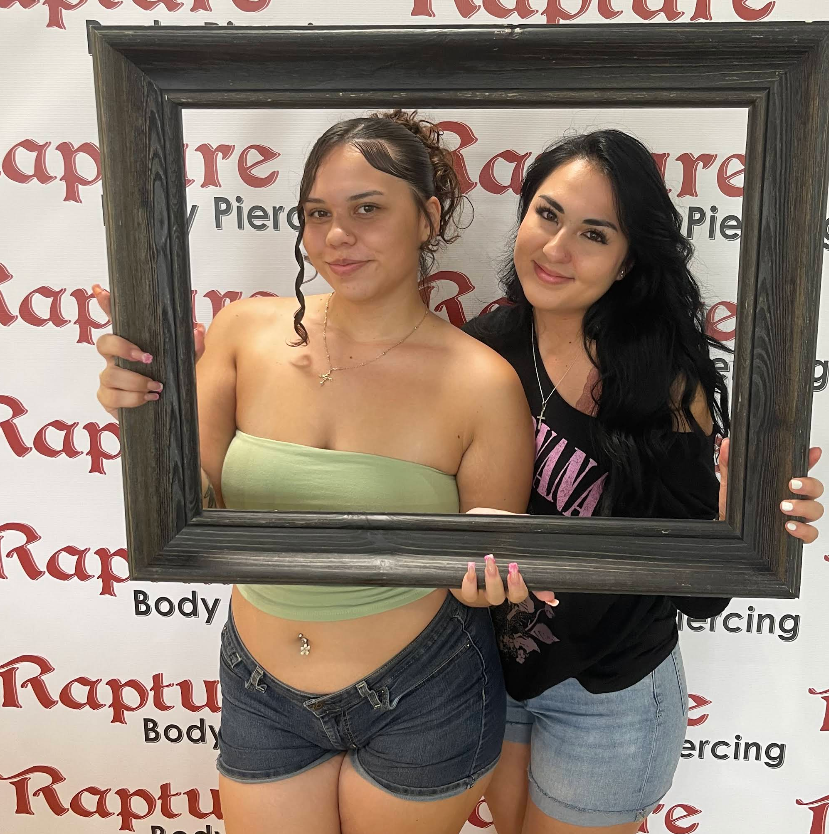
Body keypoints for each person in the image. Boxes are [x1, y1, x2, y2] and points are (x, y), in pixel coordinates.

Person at [93, 110, 547, 834]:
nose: (338, 236)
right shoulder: (245, 333)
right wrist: (143, 409)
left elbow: (482, 568)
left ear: (428, 217)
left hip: (422, 690)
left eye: (368, 209)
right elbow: (191, 503)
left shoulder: (482, 384)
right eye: (318, 213)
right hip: (260, 688)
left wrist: (499, 572)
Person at [460, 129, 825, 834]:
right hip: (497, 672)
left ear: (629, 261)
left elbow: (705, 592)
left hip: (611, 690)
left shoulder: (662, 378)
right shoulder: (481, 348)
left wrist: (744, 525)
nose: (556, 247)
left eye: (594, 233)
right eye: (547, 214)